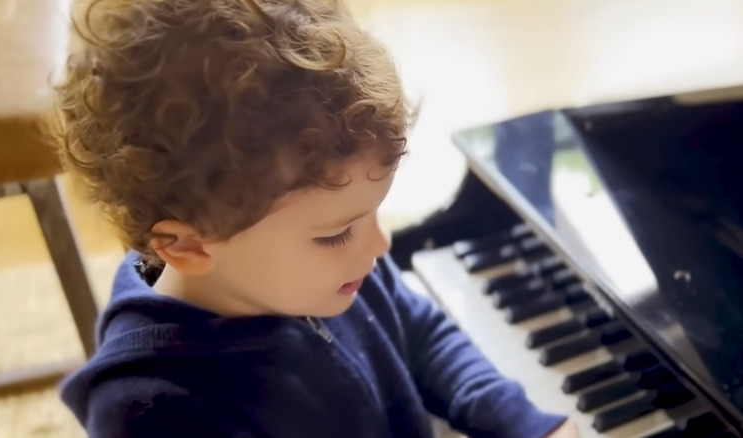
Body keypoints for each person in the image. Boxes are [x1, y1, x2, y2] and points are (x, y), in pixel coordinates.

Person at [51, 0, 576, 436]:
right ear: (187, 246)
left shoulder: (337, 268)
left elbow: (419, 332)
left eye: (372, 213)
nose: (378, 245)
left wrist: (515, 419)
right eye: (336, 233)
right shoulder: (151, 411)